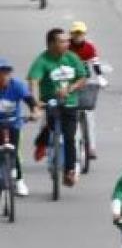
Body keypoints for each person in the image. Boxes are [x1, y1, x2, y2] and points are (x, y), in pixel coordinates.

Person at [27, 27, 87, 187]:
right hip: (50, 101)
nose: (67, 44)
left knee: (69, 137)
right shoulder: (42, 60)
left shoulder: (72, 58)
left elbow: (82, 77)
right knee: (50, 124)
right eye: (62, 41)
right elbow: (33, 81)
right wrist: (35, 103)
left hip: (70, 102)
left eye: (67, 41)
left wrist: (69, 89)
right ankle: (43, 142)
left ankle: (69, 171)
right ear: (51, 44)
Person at [0, 59, 39, 197]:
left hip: (14, 123)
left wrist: (34, 112)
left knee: (14, 152)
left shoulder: (17, 85)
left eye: (7, 72)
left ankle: (19, 180)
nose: (4, 76)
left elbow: (30, 100)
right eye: (1, 73)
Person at [68, 21, 106, 160]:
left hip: (85, 81)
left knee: (89, 115)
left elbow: (95, 63)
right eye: (75, 33)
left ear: (84, 34)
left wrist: (100, 77)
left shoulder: (89, 47)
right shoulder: (66, 46)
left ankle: (91, 147)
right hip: (68, 82)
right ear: (71, 34)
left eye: (81, 33)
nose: (78, 36)